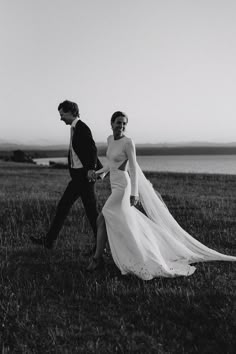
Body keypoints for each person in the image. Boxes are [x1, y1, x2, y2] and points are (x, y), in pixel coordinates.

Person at [87, 111, 236, 279]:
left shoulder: (128, 143)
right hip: (114, 185)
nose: (121, 126)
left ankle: (98, 258)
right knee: (123, 223)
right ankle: (130, 255)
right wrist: (98, 173)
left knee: (103, 217)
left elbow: (134, 169)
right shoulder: (109, 140)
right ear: (111, 123)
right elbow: (111, 164)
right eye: (118, 122)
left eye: (124, 123)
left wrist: (134, 193)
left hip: (123, 187)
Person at [30, 100, 102, 252]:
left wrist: (91, 169)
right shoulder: (73, 128)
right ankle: (49, 241)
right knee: (65, 207)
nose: (60, 118)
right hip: (77, 178)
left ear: (71, 112)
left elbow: (93, 150)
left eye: (62, 114)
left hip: (85, 178)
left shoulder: (82, 128)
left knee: (91, 213)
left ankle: (100, 247)